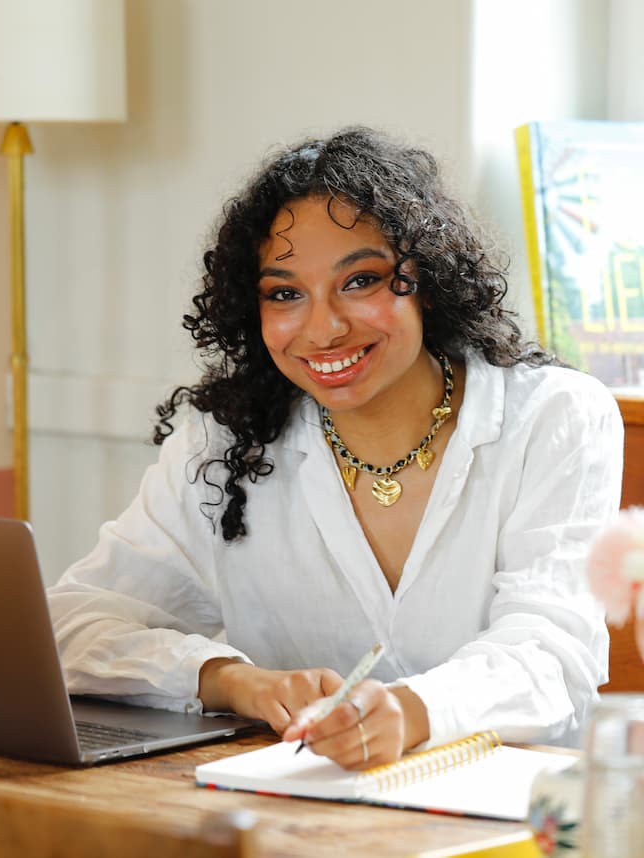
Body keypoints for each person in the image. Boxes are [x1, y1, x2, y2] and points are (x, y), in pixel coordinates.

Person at [47, 126, 624, 771]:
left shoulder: (553, 416)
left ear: (426, 279)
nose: (323, 329)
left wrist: (412, 711)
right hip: (295, 804)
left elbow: (553, 652)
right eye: (285, 293)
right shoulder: (224, 443)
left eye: (361, 281)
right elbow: (69, 625)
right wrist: (231, 680)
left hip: (512, 810)